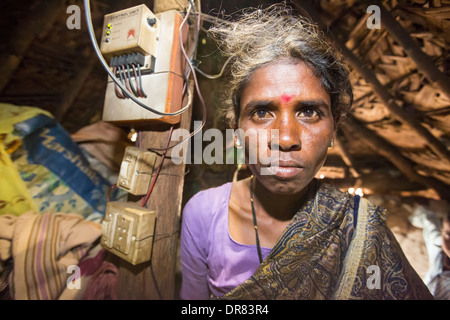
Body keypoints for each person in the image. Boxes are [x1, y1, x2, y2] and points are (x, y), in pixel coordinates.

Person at [179, 4, 433, 300]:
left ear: (333, 130)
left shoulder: (357, 227)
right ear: (236, 130)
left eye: (309, 111)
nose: (286, 138)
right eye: (262, 112)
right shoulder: (204, 215)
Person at [409, 200, 450, 299]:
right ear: (442, 231)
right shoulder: (438, 246)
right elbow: (428, 221)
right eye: (448, 235)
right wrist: (421, 206)